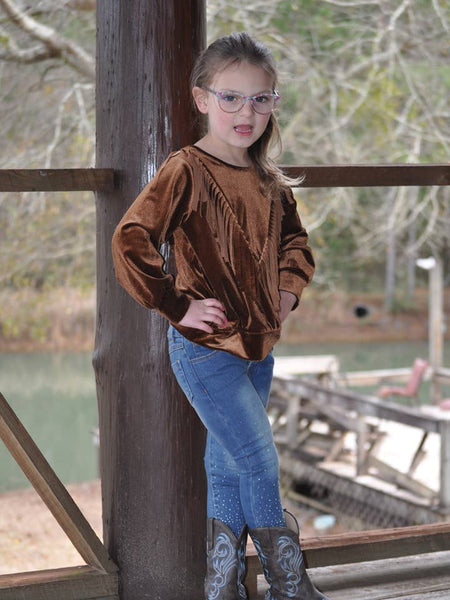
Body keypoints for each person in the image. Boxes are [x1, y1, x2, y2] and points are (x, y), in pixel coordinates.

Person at [112, 31, 329, 600]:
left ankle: (221, 587)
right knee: (259, 459)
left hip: (260, 350)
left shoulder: (268, 181)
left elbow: (297, 245)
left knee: (229, 468)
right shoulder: (186, 170)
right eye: (230, 97)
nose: (246, 112)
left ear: (273, 105)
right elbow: (130, 239)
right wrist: (176, 302)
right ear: (201, 98)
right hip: (205, 350)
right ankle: (289, 586)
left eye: (261, 99)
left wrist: (287, 289)